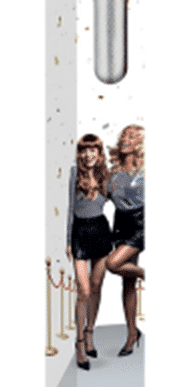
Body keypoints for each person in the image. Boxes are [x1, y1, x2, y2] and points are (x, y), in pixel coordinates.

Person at [66, 133, 112, 370]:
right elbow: (70, 208)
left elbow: (121, 201)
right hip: (80, 233)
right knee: (83, 291)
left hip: (101, 231)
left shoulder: (107, 175)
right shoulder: (75, 172)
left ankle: (90, 332)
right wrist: (68, 241)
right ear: (80, 153)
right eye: (84, 150)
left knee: (96, 287)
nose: (88, 154)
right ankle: (79, 342)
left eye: (92, 150)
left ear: (99, 152)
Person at [106, 124, 145, 356]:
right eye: (123, 135)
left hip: (140, 223)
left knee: (113, 263)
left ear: (140, 142)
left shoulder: (146, 169)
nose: (125, 139)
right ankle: (132, 334)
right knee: (127, 283)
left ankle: (146, 274)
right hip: (120, 223)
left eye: (131, 136)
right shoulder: (114, 171)